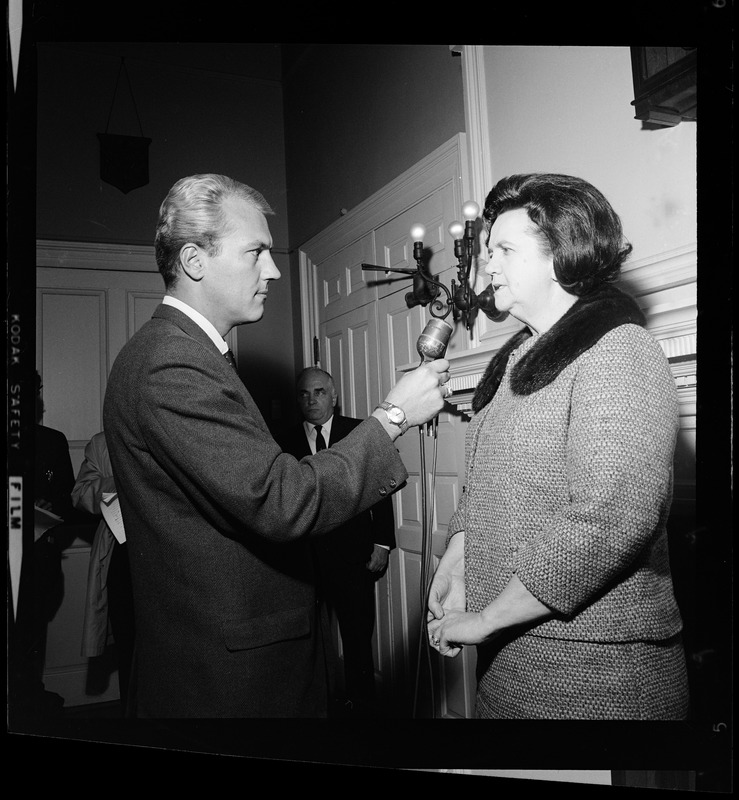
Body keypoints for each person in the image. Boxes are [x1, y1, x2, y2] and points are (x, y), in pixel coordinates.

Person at [102, 173, 449, 718]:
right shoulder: (171, 363)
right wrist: (393, 416)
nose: (275, 269)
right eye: (256, 252)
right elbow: (280, 500)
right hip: (229, 679)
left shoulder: (186, 353)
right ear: (195, 261)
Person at [426, 173, 689, 720]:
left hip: (594, 678)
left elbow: (610, 517)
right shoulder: (518, 356)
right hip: (511, 665)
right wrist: (458, 560)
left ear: (561, 257)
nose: (487, 266)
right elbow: (487, 485)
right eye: (487, 249)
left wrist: (485, 618)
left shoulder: (620, 351)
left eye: (503, 249)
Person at [280, 367, 396, 718]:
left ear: (334, 396)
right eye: (303, 393)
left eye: (318, 392)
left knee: (358, 639)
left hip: (353, 558)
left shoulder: (358, 432)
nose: (311, 400)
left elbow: (382, 487)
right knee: (309, 645)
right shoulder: (282, 440)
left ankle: (361, 712)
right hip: (304, 562)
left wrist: (382, 543)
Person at [72, 431, 135, 713]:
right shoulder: (101, 443)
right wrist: (117, 483)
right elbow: (81, 493)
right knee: (128, 645)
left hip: (166, 556)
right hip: (122, 556)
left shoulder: (170, 431)